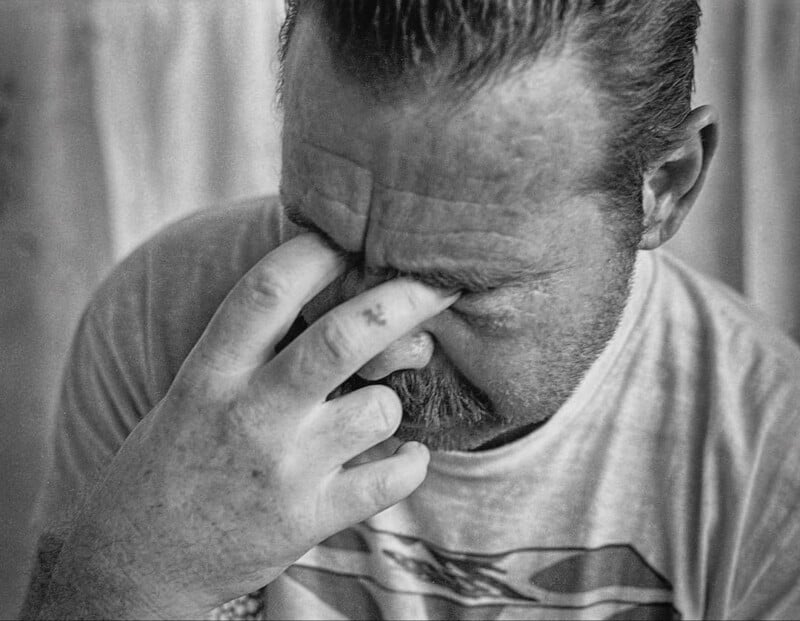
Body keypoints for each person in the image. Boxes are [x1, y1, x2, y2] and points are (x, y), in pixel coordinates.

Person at [22, 1, 800, 619]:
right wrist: (132, 580)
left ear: (664, 186)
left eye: (463, 285)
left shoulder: (767, 442)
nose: (377, 348)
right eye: (322, 236)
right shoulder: (166, 316)